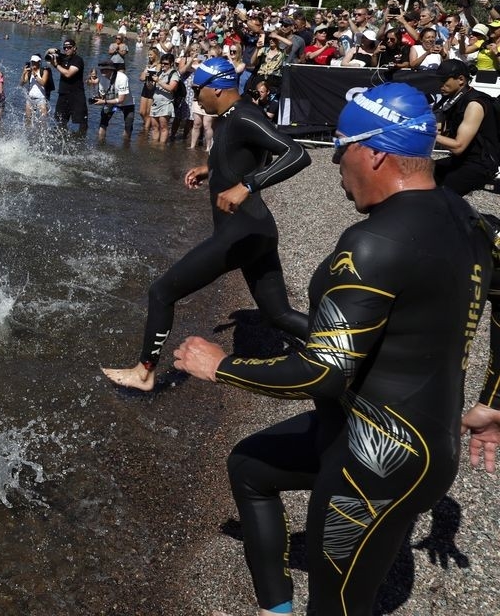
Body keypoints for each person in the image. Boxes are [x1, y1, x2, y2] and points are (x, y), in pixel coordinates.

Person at [173, 82, 493, 616]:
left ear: (375, 153)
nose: (337, 168)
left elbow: (323, 372)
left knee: (339, 604)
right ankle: (275, 607)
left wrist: (222, 365)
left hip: (379, 459)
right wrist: (494, 399)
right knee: (250, 467)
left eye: (340, 151)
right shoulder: (475, 224)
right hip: (388, 435)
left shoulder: (375, 243)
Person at [102, 57, 311, 391]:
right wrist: (209, 170)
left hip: (239, 232)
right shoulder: (231, 116)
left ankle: (144, 372)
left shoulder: (243, 115)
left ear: (217, 87)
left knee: (161, 293)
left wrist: (247, 186)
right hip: (256, 229)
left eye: (197, 89)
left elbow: (297, 154)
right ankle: (342, 347)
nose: (194, 96)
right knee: (279, 314)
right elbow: (244, 158)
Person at [434, 58, 500, 194]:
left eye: (444, 81)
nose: (440, 85)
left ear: (460, 79)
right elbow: (439, 129)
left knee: (442, 195)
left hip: (480, 164)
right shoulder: (452, 99)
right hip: (463, 159)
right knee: (423, 172)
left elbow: (458, 146)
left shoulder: (474, 104)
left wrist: (424, 132)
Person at [48, 38, 87, 136]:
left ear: (74, 48)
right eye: (65, 48)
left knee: (81, 121)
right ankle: (62, 140)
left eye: (69, 47)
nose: (66, 49)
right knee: (61, 121)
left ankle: (81, 140)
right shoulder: (62, 57)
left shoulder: (78, 60)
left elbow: (68, 74)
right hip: (63, 94)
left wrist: (56, 65)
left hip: (76, 95)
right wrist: (53, 51)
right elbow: (47, 55)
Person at [91, 62, 134, 144]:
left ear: (111, 70)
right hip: (111, 102)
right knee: (103, 122)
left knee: (128, 125)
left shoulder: (122, 77)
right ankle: (100, 144)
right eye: (101, 69)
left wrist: (104, 101)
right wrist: (98, 99)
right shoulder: (102, 79)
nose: (102, 71)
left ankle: (126, 146)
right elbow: (103, 96)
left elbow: (121, 99)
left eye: (104, 69)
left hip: (126, 103)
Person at [21, 54, 52, 124]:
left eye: (35, 62)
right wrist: (24, 73)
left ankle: (42, 134)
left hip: (41, 99)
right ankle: (28, 134)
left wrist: (34, 74)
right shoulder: (29, 72)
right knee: (28, 120)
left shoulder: (44, 71)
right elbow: (22, 83)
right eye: (32, 62)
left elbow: (43, 83)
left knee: (43, 121)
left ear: (39, 62)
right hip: (30, 99)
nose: (33, 63)